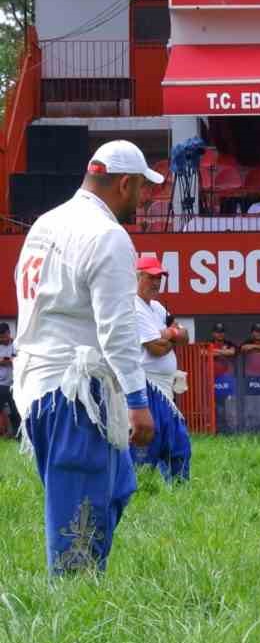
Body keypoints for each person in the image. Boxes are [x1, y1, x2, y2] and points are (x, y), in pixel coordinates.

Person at [13, 140, 159, 573]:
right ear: (125, 184)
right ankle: (74, 608)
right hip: (74, 392)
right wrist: (137, 401)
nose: (145, 198)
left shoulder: (47, 222)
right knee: (79, 518)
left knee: (115, 488)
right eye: (142, 189)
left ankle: (84, 583)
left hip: (44, 383)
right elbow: (118, 328)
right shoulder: (108, 235)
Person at [131, 256, 191, 482]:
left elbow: (185, 335)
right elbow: (156, 348)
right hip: (148, 385)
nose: (156, 283)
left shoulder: (156, 307)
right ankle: (139, 488)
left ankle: (177, 491)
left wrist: (170, 334)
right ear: (137, 277)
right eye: (151, 277)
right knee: (155, 442)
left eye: (159, 278)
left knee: (175, 443)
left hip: (163, 387)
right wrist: (171, 335)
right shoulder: (133, 307)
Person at [0, 323, 18, 439]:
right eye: (0, 337)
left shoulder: (16, 344)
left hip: (13, 383)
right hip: (0, 384)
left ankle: (17, 433)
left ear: (8, 333)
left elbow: (18, 359)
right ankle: (7, 432)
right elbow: (10, 360)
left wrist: (9, 360)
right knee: (3, 409)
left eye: (4, 336)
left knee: (14, 410)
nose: (2, 339)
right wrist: (10, 360)